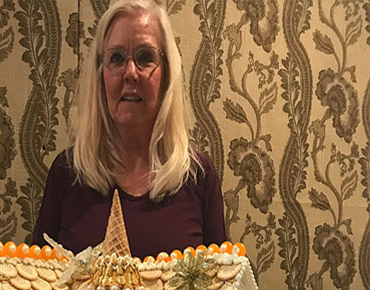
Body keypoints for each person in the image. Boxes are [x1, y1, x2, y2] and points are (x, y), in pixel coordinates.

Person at [31, 0, 226, 259]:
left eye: (145, 57)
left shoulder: (198, 177)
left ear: (166, 75)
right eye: (117, 58)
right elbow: (38, 279)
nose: (130, 73)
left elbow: (222, 281)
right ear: (100, 76)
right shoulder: (66, 173)